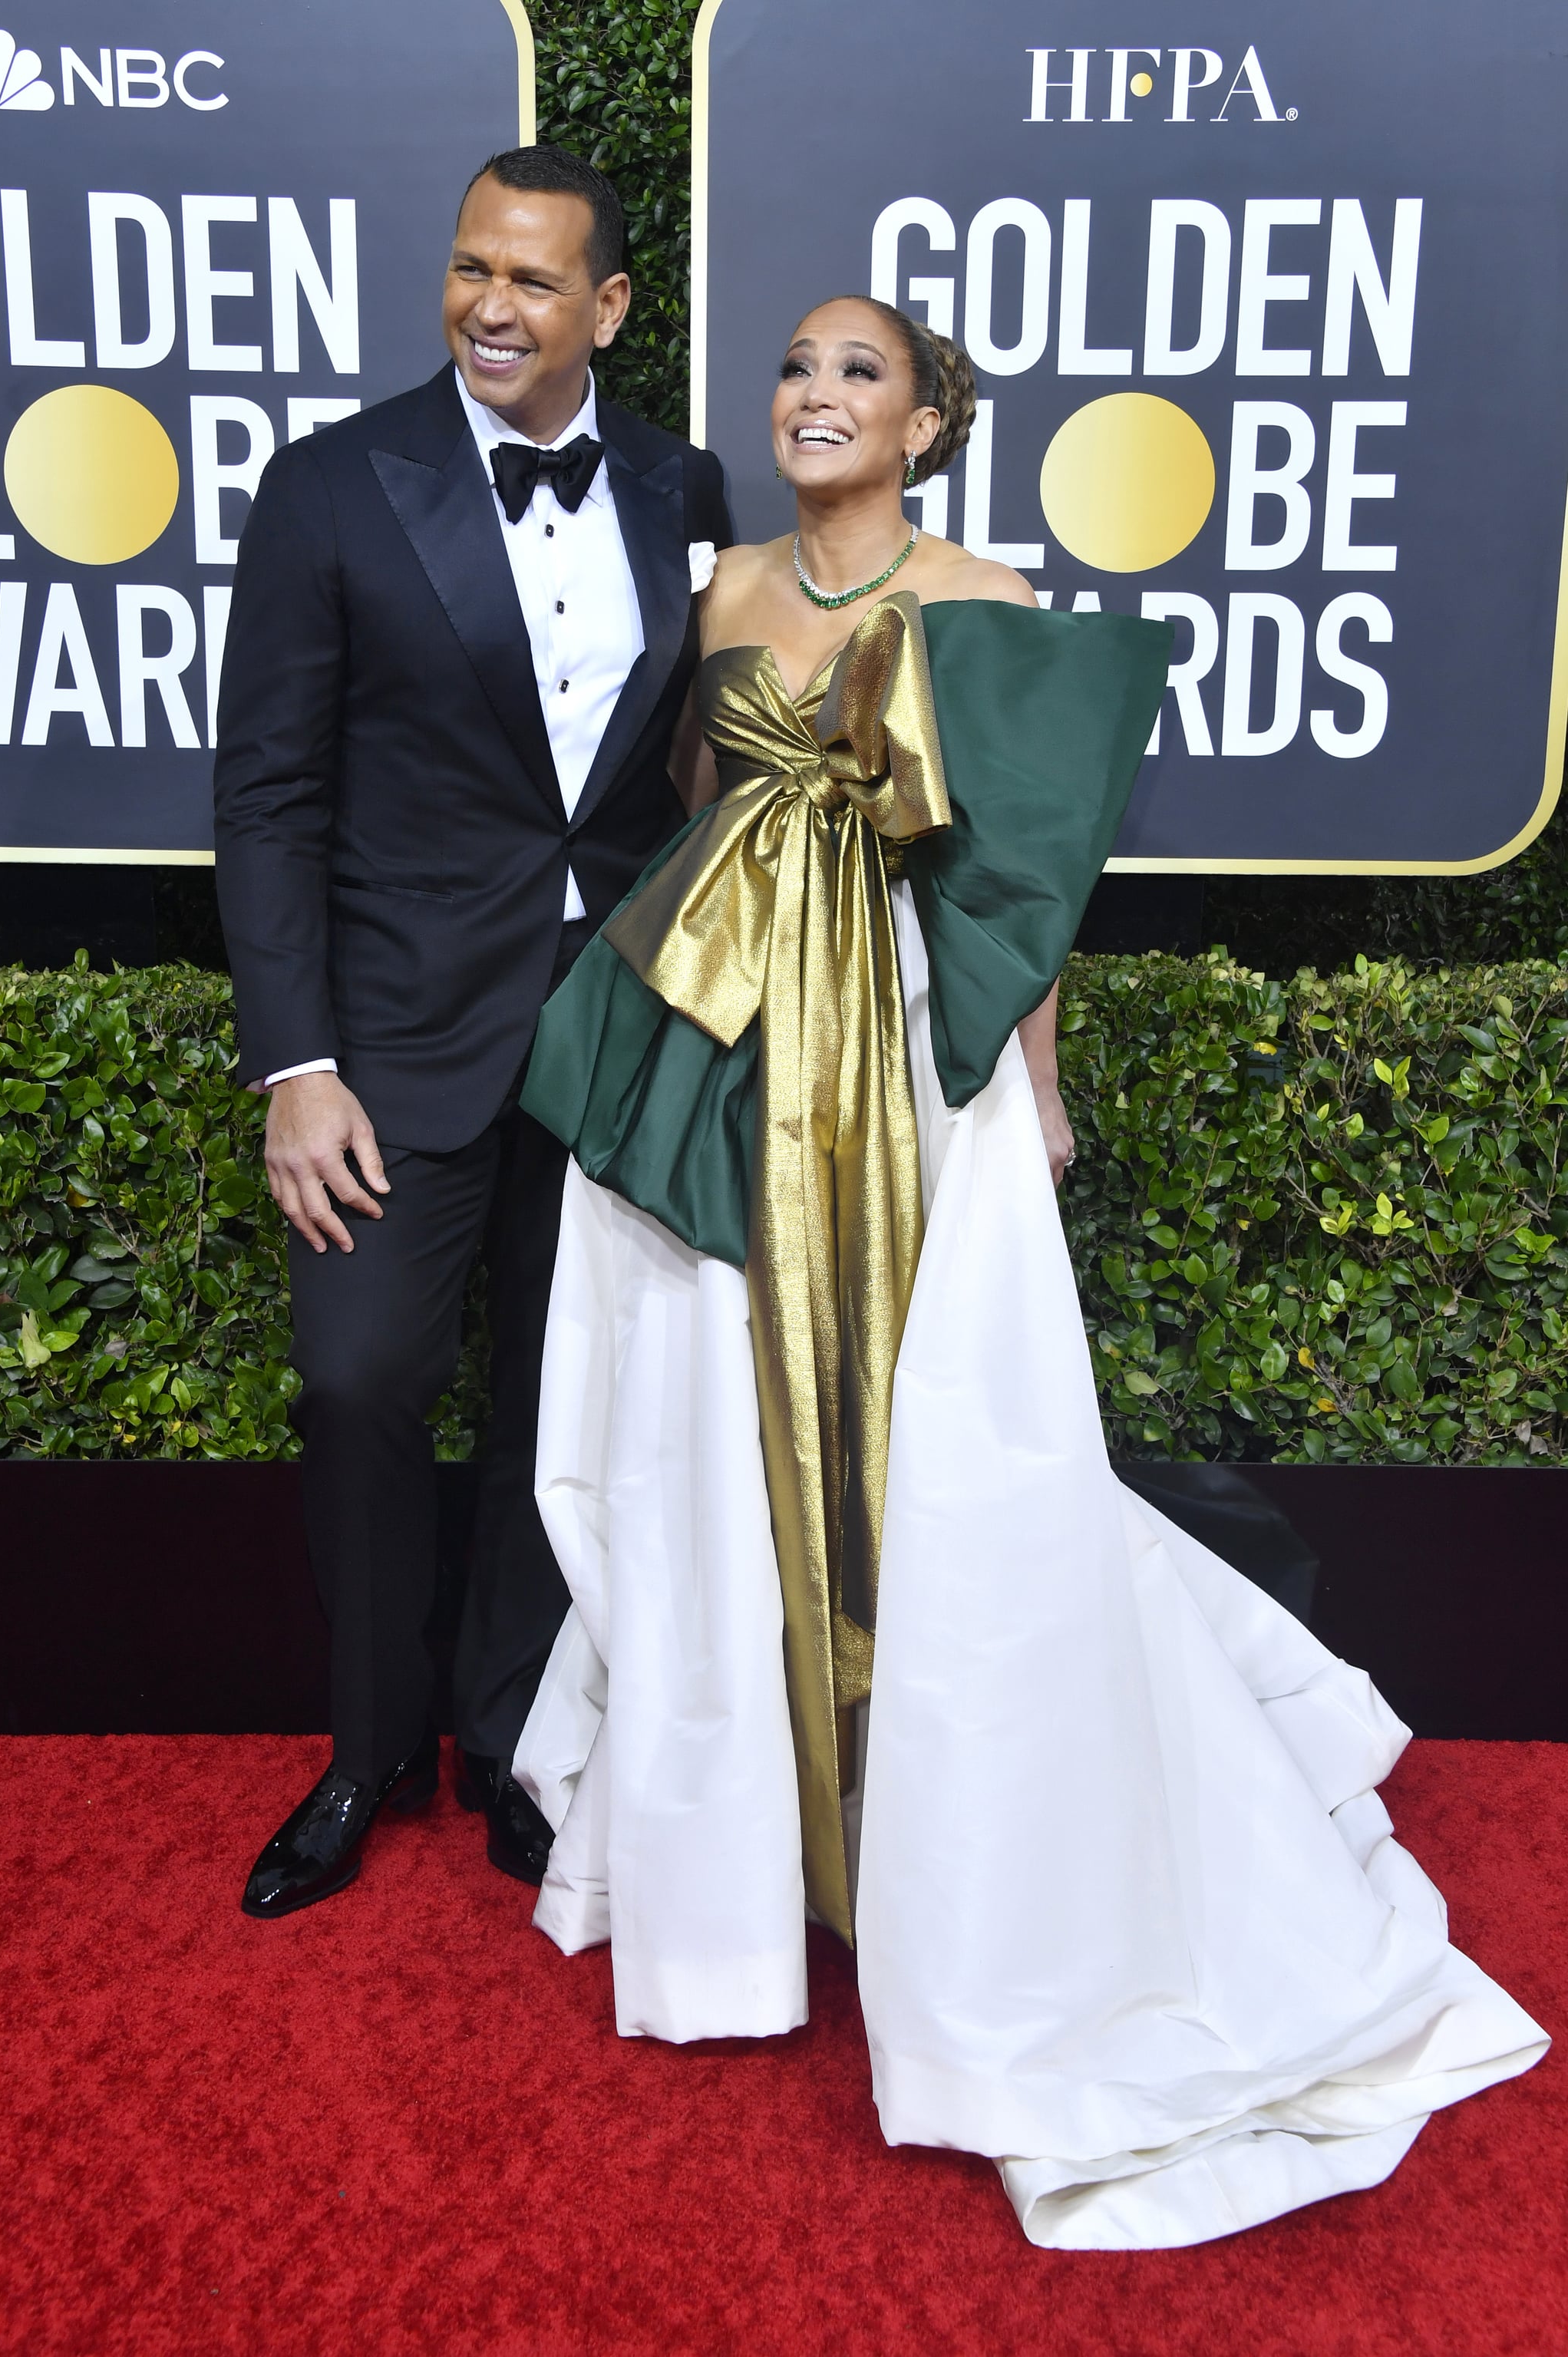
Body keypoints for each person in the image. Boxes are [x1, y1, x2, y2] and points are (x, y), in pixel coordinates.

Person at [509, 297, 1547, 2248]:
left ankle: (973, 1860)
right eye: (799, 372)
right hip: (728, 1061)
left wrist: (1036, 1093)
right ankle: (747, 1858)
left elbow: (1023, 883)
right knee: (707, 1442)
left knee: (957, 1459)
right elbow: (689, 830)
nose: (815, 398)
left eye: (859, 377)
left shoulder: (990, 594)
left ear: (925, 420)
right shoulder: (717, 586)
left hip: (913, 1073)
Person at [213, 145, 731, 1919]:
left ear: (608, 307)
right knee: (359, 1380)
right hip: (393, 1036)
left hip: (604, 1031)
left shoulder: (682, 486)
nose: (490, 308)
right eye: (468, 271)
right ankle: (366, 1753)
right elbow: (269, 800)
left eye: (531, 281)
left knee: (554, 1401)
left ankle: (512, 1733)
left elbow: (682, 779)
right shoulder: (333, 486)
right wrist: (296, 1065)